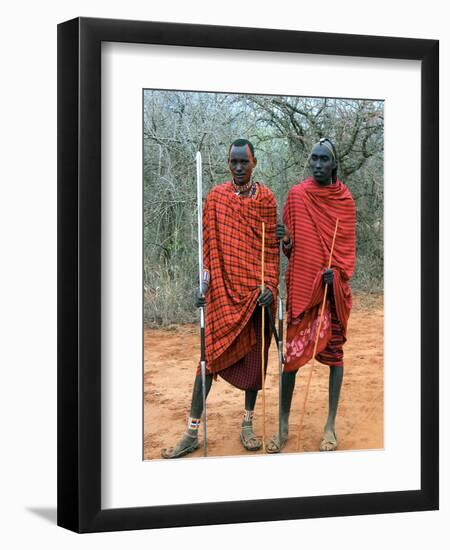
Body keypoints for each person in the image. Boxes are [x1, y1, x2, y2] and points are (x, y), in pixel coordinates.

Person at [161, 139, 279, 459]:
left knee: (255, 361)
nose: (238, 167)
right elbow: (208, 255)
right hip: (222, 296)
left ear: (255, 162)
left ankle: (247, 423)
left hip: (255, 295)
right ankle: (191, 431)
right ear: (228, 163)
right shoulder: (215, 199)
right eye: (233, 162)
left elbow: (270, 253)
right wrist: (203, 287)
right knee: (207, 361)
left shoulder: (266, 199)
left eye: (244, 162)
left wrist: (269, 285)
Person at [267, 137, 356, 453]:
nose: (317, 165)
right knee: (289, 358)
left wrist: (339, 273)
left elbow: (346, 250)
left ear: (334, 164)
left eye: (324, 160)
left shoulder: (344, 200)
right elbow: (291, 249)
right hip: (304, 288)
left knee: (335, 357)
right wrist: (285, 240)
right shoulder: (296, 195)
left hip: (331, 293)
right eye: (314, 159)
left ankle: (330, 426)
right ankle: (283, 424)